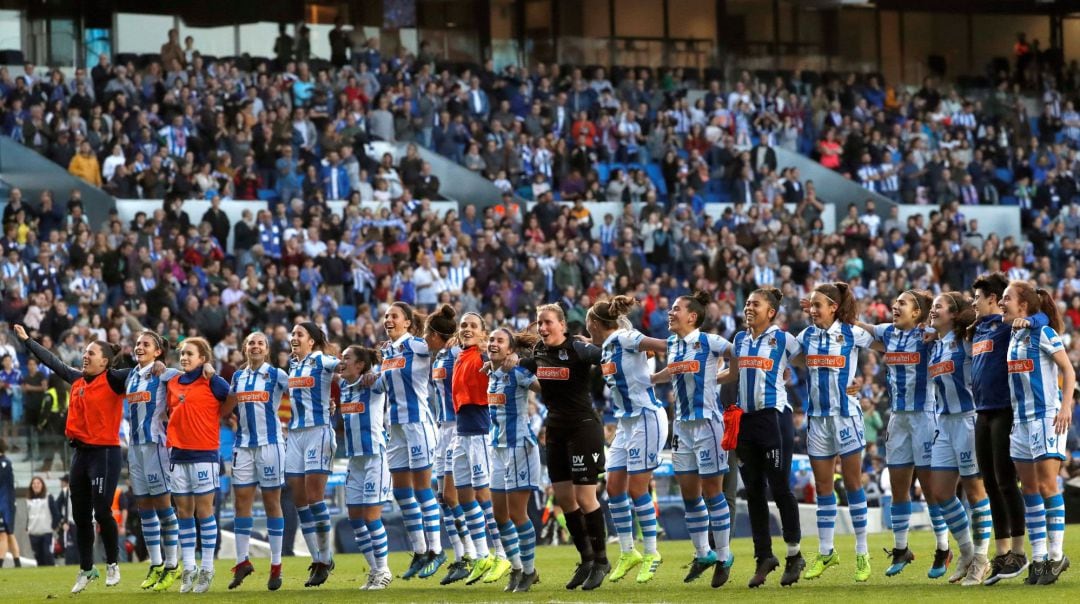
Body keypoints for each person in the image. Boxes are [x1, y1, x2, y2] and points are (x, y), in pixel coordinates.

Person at [15, 324, 149, 592]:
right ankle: (87, 569)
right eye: (85, 352)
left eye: (91, 353)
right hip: (80, 454)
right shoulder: (77, 379)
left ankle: (112, 563)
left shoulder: (113, 379)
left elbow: (142, 370)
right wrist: (28, 340)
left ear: (105, 361)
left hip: (105, 453)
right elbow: (52, 362)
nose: (85, 356)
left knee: (102, 511)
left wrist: (156, 364)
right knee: (80, 517)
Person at [856, 290, 952, 579]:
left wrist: (935, 331)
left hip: (925, 416)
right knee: (899, 487)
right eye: (895, 302)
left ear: (917, 313)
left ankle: (943, 548)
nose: (895, 307)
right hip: (897, 419)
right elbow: (862, 327)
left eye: (902, 303)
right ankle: (901, 549)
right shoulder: (887, 333)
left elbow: (953, 327)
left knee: (931, 490)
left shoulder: (928, 334)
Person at [517, 303, 610, 591]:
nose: (542, 328)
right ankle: (585, 559)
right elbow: (522, 364)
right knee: (565, 500)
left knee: (585, 497)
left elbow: (608, 354)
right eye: (539, 323)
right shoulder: (539, 353)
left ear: (562, 325)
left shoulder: (579, 350)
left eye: (547, 322)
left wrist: (599, 343)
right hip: (555, 430)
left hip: (583, 426)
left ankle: (601, 561)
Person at [718, 287, 804, 587]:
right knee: (752, 491)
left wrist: (848, 381)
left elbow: (809, 363)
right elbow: (731, 374)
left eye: (756, 304)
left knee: (779, 488)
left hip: (774, 418)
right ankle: (764, 556)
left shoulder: (783, 339)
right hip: (745, 421)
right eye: (747, 303)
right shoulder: (739, 340)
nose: (748, 307)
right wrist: (702, 380)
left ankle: (794, 554)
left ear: (771, 312)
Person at [651, 292, 735, 588]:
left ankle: (724, 555)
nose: (670, 313)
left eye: (675, 309)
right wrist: (651, 379)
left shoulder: (710, 342)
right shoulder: (673, 344)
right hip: (682, 428)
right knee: (689, 493)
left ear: (692, 316)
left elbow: (737, 351)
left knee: (713, 493)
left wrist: (727, 376)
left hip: (708, 425)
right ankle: (703, 553)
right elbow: (671, 372)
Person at [584, 296, 668, 585]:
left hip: (646, 417)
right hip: (625, 422)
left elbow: (664, 346)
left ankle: (651, 553)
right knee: (614, 486)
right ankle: (628, 551)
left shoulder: (625, 337)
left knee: (636, 488)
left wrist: (684, 356)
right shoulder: (606, 347)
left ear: (594, 323)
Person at [795, 283, 874, 582]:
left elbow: (885, 344)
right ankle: (826, 551)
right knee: (823, 487)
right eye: (811, 305)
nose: (812, 310)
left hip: (846, 417)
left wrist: (863, 383)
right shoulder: (807, 336)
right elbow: (788, 356)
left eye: (818, 305)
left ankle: (862, 551)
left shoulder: (852, 333)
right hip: (817, 420)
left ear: (834, 308)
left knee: (853, 485)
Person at [970, 272, 1045, 584]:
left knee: (1005, 483)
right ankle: (1002, 555)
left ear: (993, 299)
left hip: (1004, 411)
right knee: (989, 485)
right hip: (982, 413)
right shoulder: (978, 327)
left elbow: (1041, 315)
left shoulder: (1006, 325)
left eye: (979, 297)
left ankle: (1019, 550)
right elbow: (952, 316)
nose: (974, 302)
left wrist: (1029, 321)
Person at [1000, 281, 1075, 585]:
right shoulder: (1014, 334)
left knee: (1047, 486)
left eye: (1007, 298)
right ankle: (1040, 557)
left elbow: (1068, 370)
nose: (1002, 303)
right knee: (1028, 490)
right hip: (1021, 421)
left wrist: (1066, 406)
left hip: (1047, 418)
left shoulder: (1043, 332)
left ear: (1024, 305)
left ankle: (1056, 556)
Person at [925, 292, 993, 585]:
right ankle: (966, 552)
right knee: (940, 492)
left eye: (938, 306)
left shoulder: (967, 340)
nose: (932, 310)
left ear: (954, 314)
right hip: (944, 422)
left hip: (968, 420)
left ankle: (981, 558)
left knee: (976, 493)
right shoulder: (935, 345)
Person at [375, 302, 444, 579]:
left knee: (422, 488)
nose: (388, 319)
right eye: (386, 316)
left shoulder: (417, 345)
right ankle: (420, 550)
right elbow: (383, 385)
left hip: (418, 425)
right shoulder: (387, 352)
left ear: (406, 323)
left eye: (394, 316)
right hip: (396, 427)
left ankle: (437, 550)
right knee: (402, 493)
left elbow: (442, 345)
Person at [163, 337, 231, 593]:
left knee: (204, 512)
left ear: (203, 358)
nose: (184, 357)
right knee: (183, 513)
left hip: (204, 455)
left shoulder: (212, 382)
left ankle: (207, 568)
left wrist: (213, 375)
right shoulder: (172, 383)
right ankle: (189, 567)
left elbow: (232, 396)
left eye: (190, 353)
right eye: (182, 353)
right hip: (178, 455)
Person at [227, 332, 289, 591]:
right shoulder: (237, 377)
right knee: (241, 504)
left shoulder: (276, 375)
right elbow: (227, 404)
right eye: (251, 342)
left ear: (266, 350)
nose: (255, 346)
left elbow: (303, 394)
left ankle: (276, 566)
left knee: (272, 502)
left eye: (260, 343)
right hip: (243, 446)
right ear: (244, 348)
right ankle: (242, 562)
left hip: (270, 446)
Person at [452, 312, 511, 586]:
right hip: (461, 432)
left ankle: (501, 554)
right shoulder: (461, 355)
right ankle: (481, 555)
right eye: (463, 325)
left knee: (484, 495)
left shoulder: (483, 355)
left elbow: (500, 361)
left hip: (480, 432)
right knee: (464, 496)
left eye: (472, 326)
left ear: (482, 334)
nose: (467, 329)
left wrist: (505, 357)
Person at [124, 331, 182, 591]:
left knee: (163, 507)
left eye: (146, 344)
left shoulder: (164, 373)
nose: (139, 347)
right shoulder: (131, 375)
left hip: (156, 446)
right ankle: (156, 564)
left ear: (158, 351)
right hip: (135, 449)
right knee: (144, 509)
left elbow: (189, 377)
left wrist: (208, 368)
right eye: (137, 344)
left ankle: (172, 564)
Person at [485, 328, 542, 592]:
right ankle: (517, 568)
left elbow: (543, 386)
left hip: (519, 446)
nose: (493, 343)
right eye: (492, 340)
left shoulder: (517, 372)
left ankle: (529, 572)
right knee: (499, 516)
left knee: (518, 514)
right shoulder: (490, 373)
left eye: (500, 341)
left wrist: (523, 363)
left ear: (510, 350)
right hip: (497, 448)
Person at [285, 322, 341, 586]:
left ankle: (323, 559)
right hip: (295, 434)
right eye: (293, 334)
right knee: (299, 500)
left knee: (315, 497)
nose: (294, 337)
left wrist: (359, 373)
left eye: (299, 334)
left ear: (312, 341)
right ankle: (317, 556)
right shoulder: (293, 365)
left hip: (318, 431)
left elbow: (343, 367)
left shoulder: (322, 360)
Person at [424, 305, 476, 584]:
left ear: (435, 334)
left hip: (460, 427)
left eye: (426, 334)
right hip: (442, 429)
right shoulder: (440, 355)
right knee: (444, 497)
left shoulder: (457, 352)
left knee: (453, 495)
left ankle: (469, 556)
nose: (424, 339)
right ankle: (460, 556)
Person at [338, 345, 392, 590]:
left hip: (375, 458)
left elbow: (391, 377)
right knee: (355, 519)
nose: (342, 361)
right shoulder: (342, 387)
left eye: (346, 358)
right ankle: (374, 570)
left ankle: (384, 570)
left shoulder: (373, 384)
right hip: (354, 460)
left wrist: (378, 372)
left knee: (371, 517)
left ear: (360, 365)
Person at [26, 475, 58, 566]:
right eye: (34, 483)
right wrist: (27, 527)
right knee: (38, 556)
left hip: (46, 532)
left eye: (38, 483)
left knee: (47, 554)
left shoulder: (48, 497)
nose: (36, 485)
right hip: (33, 532)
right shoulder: (28, 500)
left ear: (42, 485)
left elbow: (56, 514)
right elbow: (28, 515)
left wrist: (53, 527)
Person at [0, 438, 16, 568]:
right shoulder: (6, 462)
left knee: (3, 534)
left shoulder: (4, 463)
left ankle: (0, 562)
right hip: (6, 503)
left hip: (4, 504)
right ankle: (18, 562)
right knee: (9, 534)